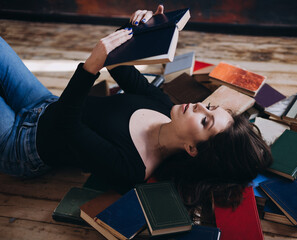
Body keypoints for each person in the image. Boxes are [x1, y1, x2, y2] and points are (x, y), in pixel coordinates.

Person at [0, 5, 272, 222]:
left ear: (192, 148)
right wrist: (138, 29)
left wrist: (90, 67)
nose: (199, 106)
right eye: (210, 108)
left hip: (21, 146)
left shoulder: (131, 168)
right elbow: (120, 66)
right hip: (43, 103)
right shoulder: (164, 107)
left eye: (205, 120)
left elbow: (66, 124)